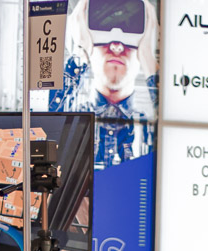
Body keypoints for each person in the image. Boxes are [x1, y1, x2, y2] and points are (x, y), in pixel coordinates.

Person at [48, 0, 158, 168]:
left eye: (128, 39)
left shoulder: (149, 126)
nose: (116, 47)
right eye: (104, 38)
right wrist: (82, 49)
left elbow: (180, 145)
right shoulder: (73, 117)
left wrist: (148, 56)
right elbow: (43, 132)